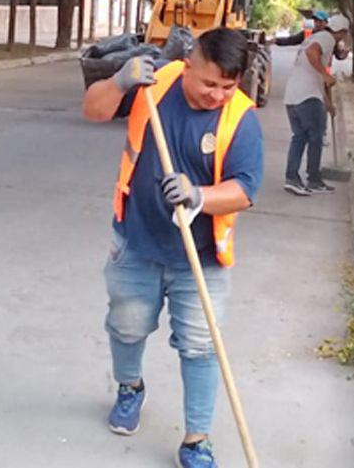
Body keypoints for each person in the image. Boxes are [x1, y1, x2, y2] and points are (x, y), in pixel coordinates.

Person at [82, 27, 264, 468]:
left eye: (228, 86)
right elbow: (94, 111)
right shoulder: (154, 85)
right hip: (136, 243)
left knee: (202, 348)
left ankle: (196, 439)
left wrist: (199, 197)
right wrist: (119, 81)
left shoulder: (240, 117)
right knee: (126, 329)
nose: (217, 94)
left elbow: (244, 188)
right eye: (208, 83)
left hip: (200, 259)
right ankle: (130, 388)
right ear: (189, 64)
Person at [282, 14, 350, 196]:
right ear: (341, 32)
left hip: (293, 95)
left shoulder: (315, 36)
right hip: (307, 96)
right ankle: (313, 179)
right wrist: (326, 75)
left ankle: (292, 178)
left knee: (299, 137)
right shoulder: (327, 39)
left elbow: (319, 76)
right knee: (315, 137)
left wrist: (327, 102)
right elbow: (312, 53)